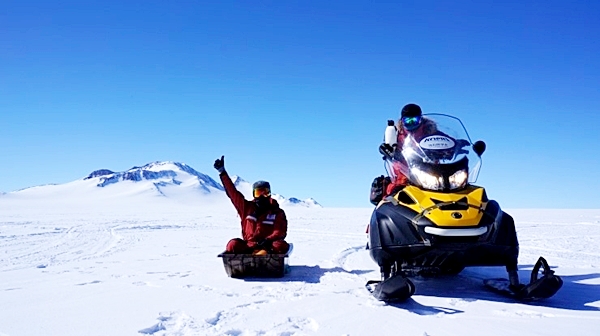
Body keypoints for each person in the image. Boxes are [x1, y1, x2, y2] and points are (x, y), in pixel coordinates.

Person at [214, 155, 290, 255]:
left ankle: (265, 259)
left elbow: (280, 231)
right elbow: (233, 194)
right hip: (249, 246)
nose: (262, 196)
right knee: (232, 245)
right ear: (254, 194)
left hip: (268, 246)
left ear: (270, 194)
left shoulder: (277, 212)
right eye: (259, 193)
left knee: (280, 246)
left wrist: (267, 240)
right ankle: (250, 260)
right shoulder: (246, 208)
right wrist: (222, 172)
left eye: (265, 192)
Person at [370, 103, 438, 205]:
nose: (411, 123)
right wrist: (386, 149)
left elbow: (443, 140)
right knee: (391, 200)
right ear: (402, 120)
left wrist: (456, 143)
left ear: (421, 119)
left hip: (431, 172)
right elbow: (389, 145)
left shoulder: (430, 131)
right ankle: (379, 218)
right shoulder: (397, 133)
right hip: (404, 175)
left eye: (414, 120)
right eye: (407, 120)